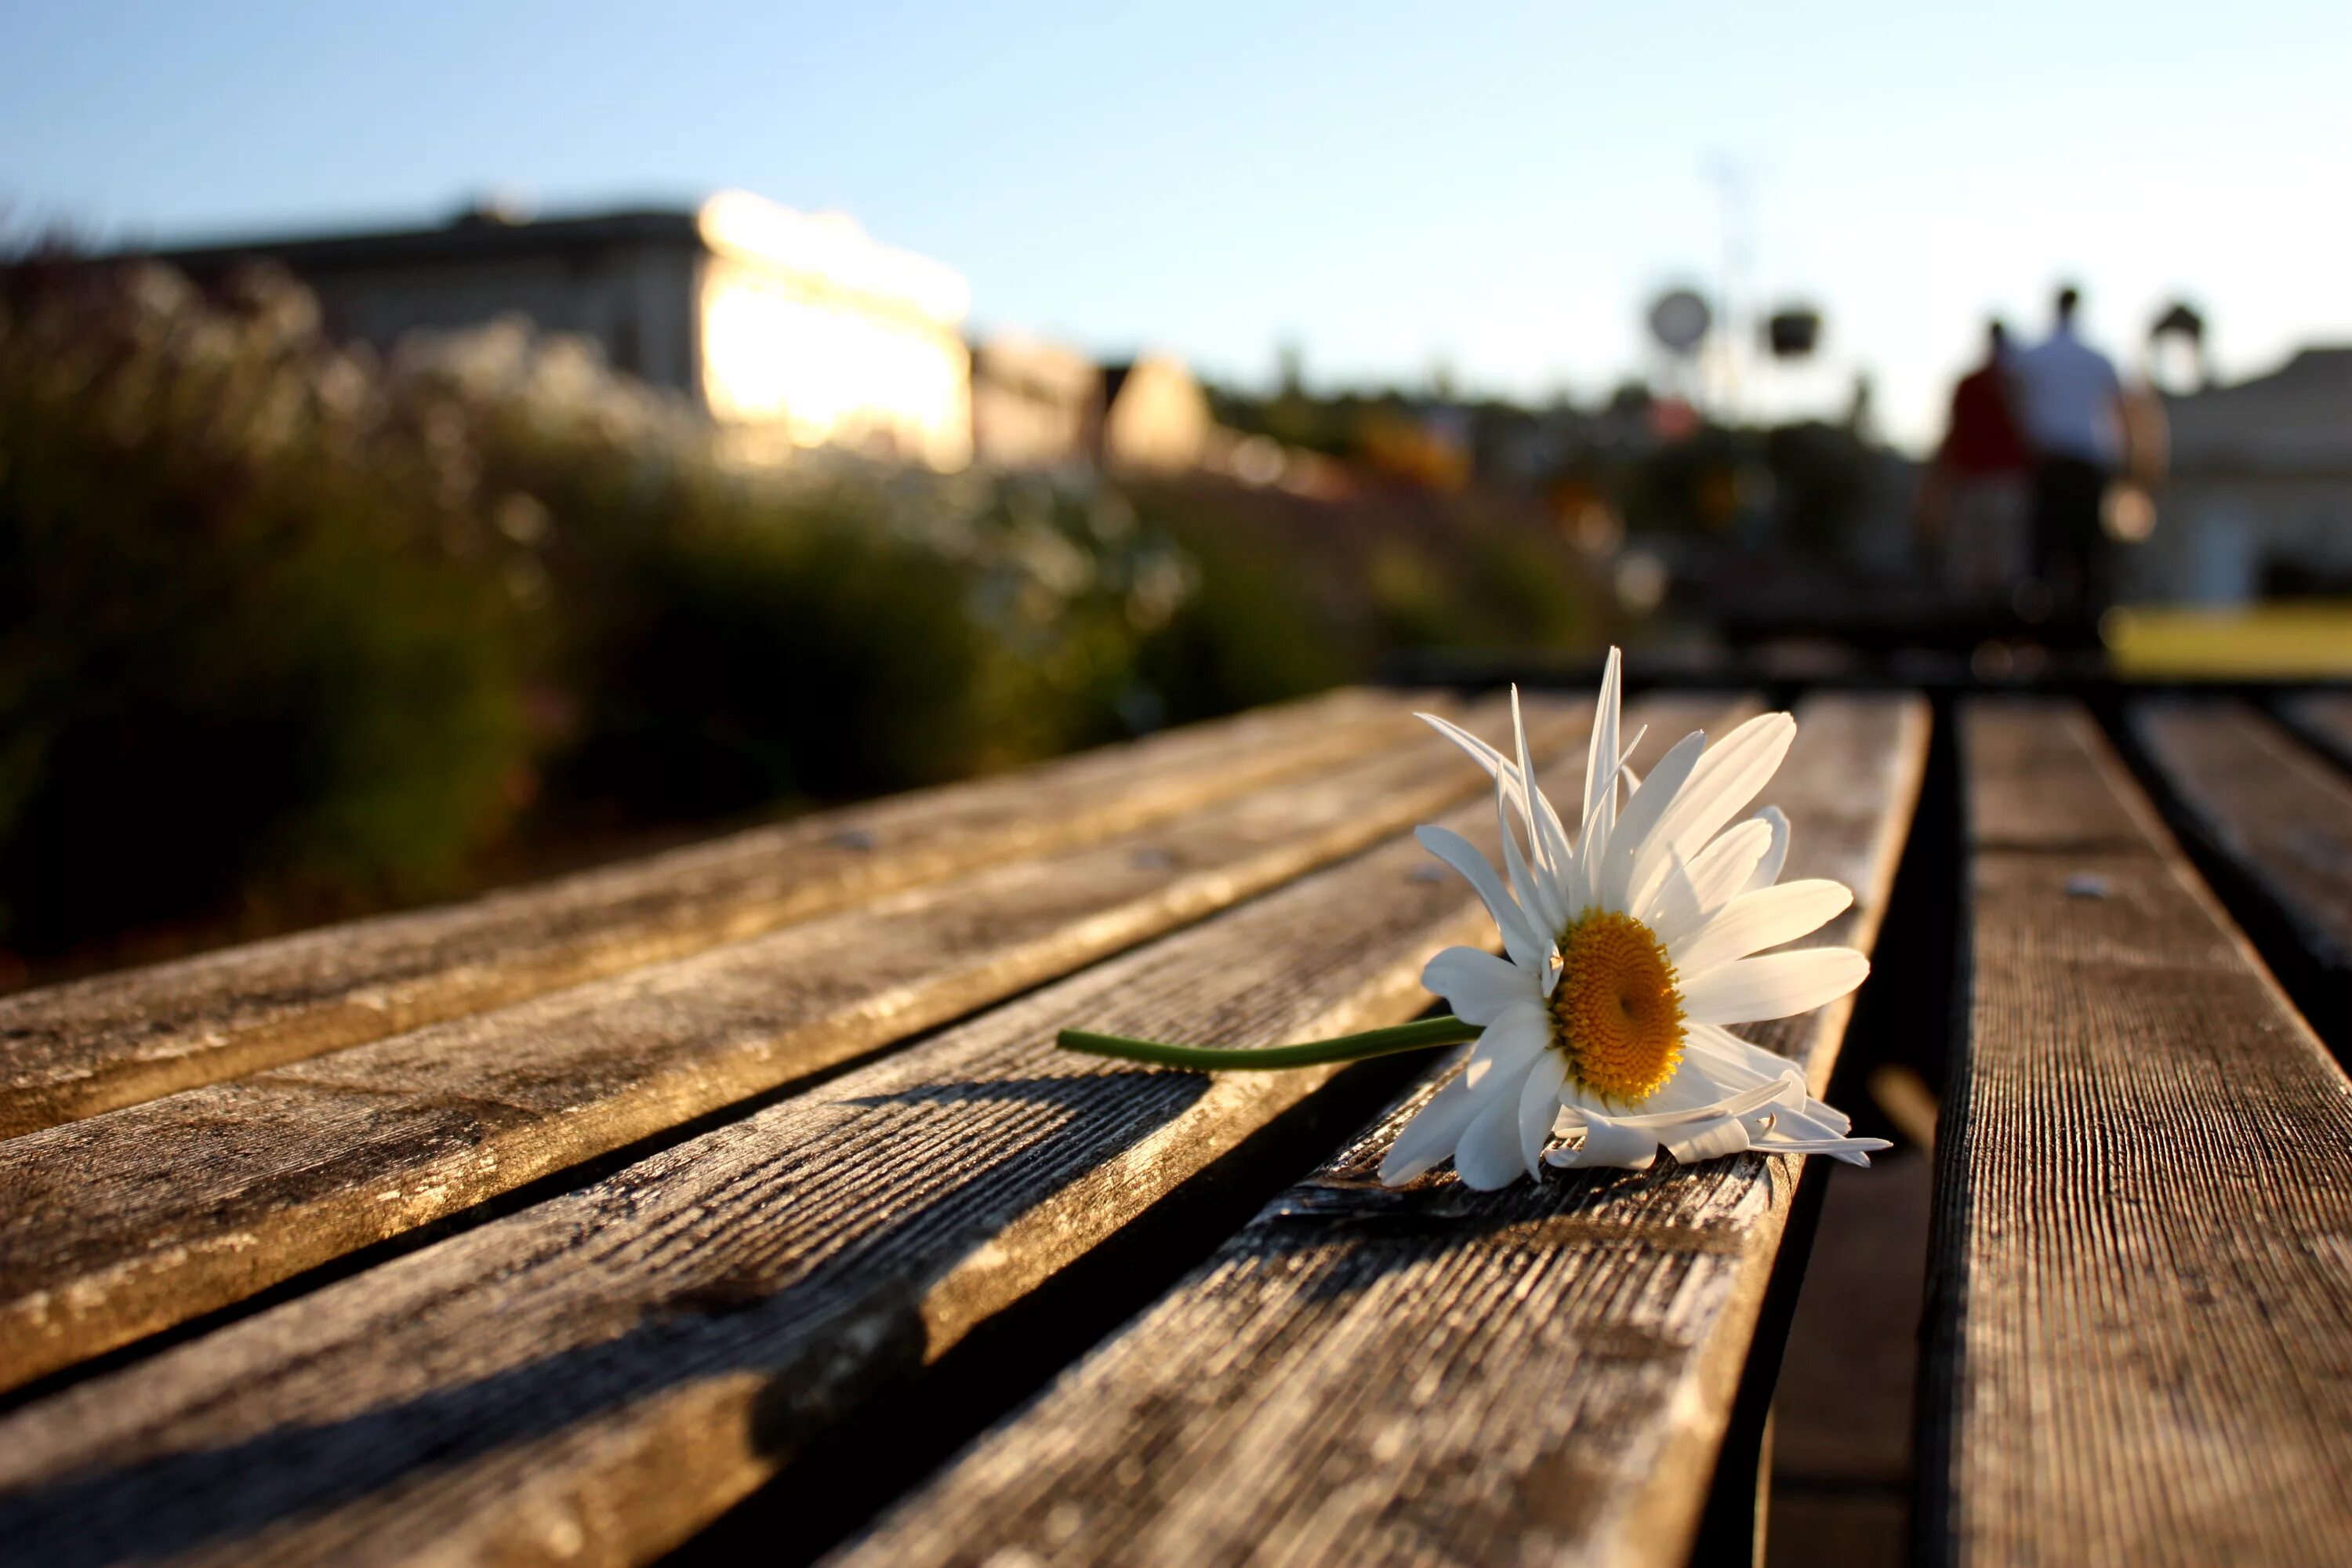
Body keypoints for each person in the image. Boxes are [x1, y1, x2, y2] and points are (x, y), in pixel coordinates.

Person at [2007, 285, 2127, 637]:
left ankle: (2037, 634)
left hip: (2050, 464)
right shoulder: (2098, 358)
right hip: (2087, 464)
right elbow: (2118, 410)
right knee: (2088, 555)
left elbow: (2015, 401)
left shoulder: (2034, 355)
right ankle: (2088, 634)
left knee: (2043, 554)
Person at [1928, 319, 2031, 608]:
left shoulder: (1975, 383)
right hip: (1998, 483)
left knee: (1974, 563)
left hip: (1977, 483)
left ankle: (1974, 629)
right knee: (1998, 563)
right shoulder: (2012, 385)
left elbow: (1951, 433)